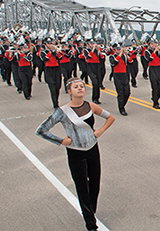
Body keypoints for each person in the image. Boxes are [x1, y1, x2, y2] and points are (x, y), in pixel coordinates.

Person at [36, 77, 115, 231]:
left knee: (95, 185)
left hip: (92, 149)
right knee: (81, 187)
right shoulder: (62, 112)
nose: (80, 89)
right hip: (75, 153)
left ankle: (90, 212)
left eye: (82, 86)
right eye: (76, 87)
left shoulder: (91, 106)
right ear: (69, 91)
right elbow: (41, 130)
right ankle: (90, 223)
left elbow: (110, 117)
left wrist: (100, 131)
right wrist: (60, 141)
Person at [109, 42, 132, 116]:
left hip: (125, 75)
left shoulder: (124, 56)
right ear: (115, 50)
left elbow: (131, 61)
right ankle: (121, 108)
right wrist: (120, 54)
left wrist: (126, 54)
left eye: (120, 49)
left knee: (127, 92)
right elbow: (114, 63)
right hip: (117, 75)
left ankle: (122, 105)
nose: (119, 51)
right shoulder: (112, 57)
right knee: (121, 93)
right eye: (118, 50)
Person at [145, 38, 160, 109]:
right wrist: (155, 50)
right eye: (152, 44)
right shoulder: (147, 51)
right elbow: (149, 59)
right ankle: (155, 102)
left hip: (159, 69)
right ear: (149, 45)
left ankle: (155, 98)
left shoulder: (157, 51)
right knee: (154, 86)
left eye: (154, 44)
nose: (153, 45)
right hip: (152, 69)